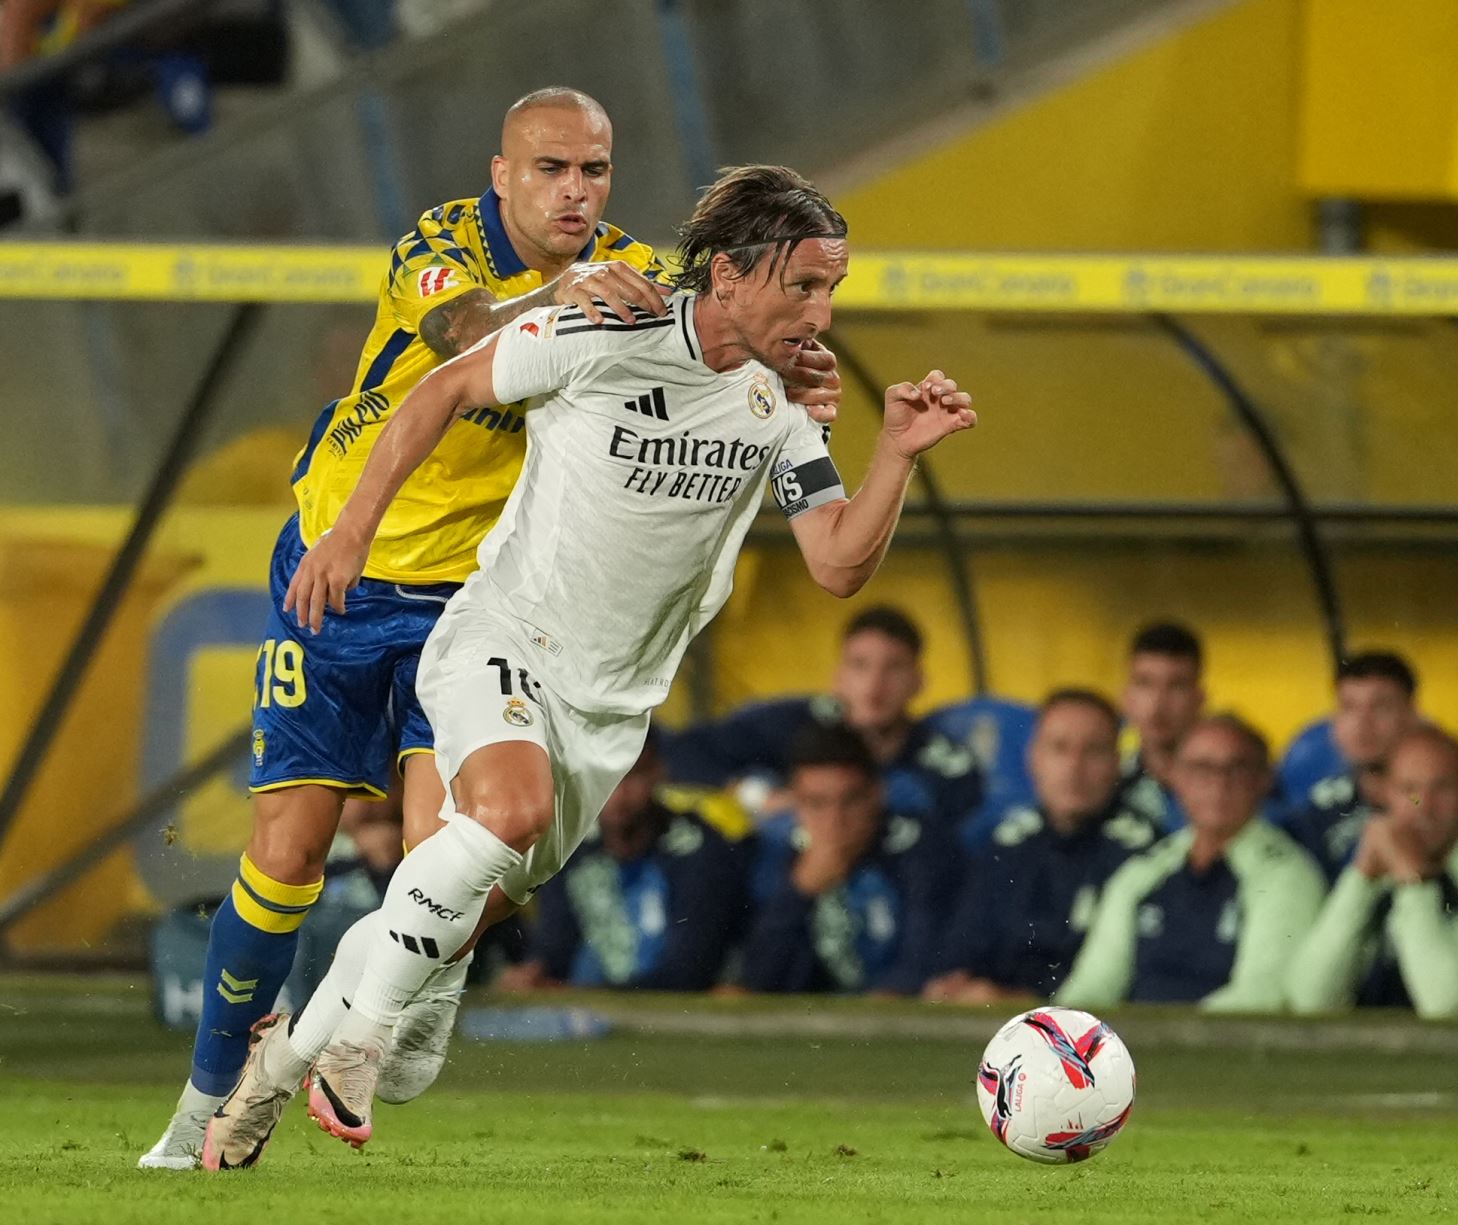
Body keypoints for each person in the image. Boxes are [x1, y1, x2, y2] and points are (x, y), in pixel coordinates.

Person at [198, 163, 973, 1167]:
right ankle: (361, 1039)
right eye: (806, 285)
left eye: (833, 288)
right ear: (731, 274)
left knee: (452, 910)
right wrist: (350, 530)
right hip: (502, 637)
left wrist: (898, 456)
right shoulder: (610, 326)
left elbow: (834, 560)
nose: (823, 311)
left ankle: (279, 1063)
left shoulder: (787, 397)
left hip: (613, 710)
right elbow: (444, 386)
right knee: (501, 817)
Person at [1057, 716, 1324, 1011]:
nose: (1219, 783)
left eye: (1237, 768)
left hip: (1224, 1050)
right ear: (1175, 777)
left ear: (1264, 779)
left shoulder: (1286, 875)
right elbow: (1092, 986)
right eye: (1202, 768)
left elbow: (1261, 994)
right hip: (1133, 1047)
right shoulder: (1144, 871)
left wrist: (1164, 1040)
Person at [663, 606, 983, 840]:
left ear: (919, 681)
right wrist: (756, 795)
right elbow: (684, 752)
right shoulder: (797, 721)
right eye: (859, 666)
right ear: (838, 677)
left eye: (894, 668)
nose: (874, 685)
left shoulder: (945, 764)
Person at [924, 690, 1160, 1004]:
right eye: (1060, 749)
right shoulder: (1006, 843)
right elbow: (962, 949)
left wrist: (1018, 1000)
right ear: (1033, 758)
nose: (1074, 767)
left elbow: (1130, 981)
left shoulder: (1146, 854)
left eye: (1093, 751)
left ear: (1117, 763)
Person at [1286, 728, 1458, 1019]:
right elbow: (1308, 999)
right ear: (1384, 795)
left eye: (1441, 789)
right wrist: (1360, 879)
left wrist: (1413, 881)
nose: (1424, 807)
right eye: (1409, 790)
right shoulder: (1376, 851)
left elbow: (1443, 1003)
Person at [499, 728, 750, 991]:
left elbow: (687, 970)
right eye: (603, 777)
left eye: (631, 776)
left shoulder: (699, 851)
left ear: (659, 773)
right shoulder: (571, 850)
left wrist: (576, 993)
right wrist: (533, 974)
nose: (617, 794)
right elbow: (554, 951)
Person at [739, 724, 962, 996]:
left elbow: (924, 960)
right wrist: (799, 892)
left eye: (851, 801)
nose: (835, 821)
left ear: (878, 794)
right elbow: (758, 981)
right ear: (796, 803)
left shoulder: (923, 849)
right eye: (817, 803)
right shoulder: (780, 855)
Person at [1275, 651, 1420, 878]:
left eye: (1381, 706)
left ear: (1412, 716)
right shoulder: (1319, 810)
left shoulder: (1440, 800)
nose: (1363, 723)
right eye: (1349, 707)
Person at [1116, 622, 1204, 831]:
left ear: (1199, 699)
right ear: (1126, 698)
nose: (1158, 703)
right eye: (1145, 683)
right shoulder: (1105, 789)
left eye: (1176, 686)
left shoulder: (1227, 791)